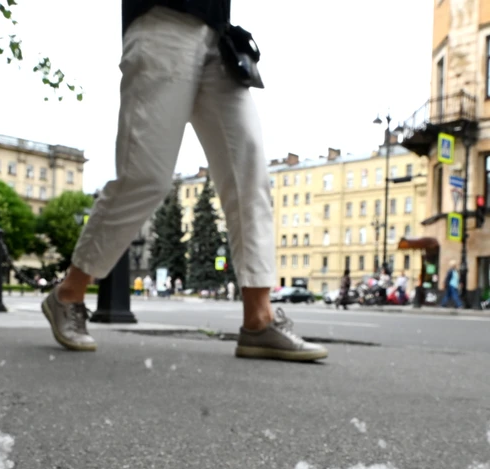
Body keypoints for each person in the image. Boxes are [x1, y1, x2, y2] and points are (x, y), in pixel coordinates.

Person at [41, 0, 327, 361]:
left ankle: (259, 320)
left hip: (218, 34)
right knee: (145, 177)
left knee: (250, 175)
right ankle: (68, 293)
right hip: (162, 21)